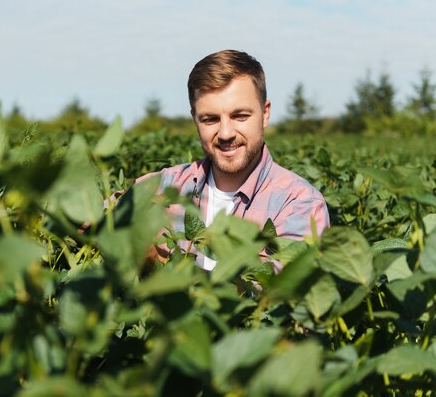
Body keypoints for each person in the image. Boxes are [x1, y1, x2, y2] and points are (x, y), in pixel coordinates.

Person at [137, 49, 329, 271]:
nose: (226, 133)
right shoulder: (166, 185)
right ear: (195, 120)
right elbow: (95, 220)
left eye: (240, 116)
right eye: (210, 119)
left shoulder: (298, 203)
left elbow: (276, 291)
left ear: (265, 114)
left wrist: (155, 262)